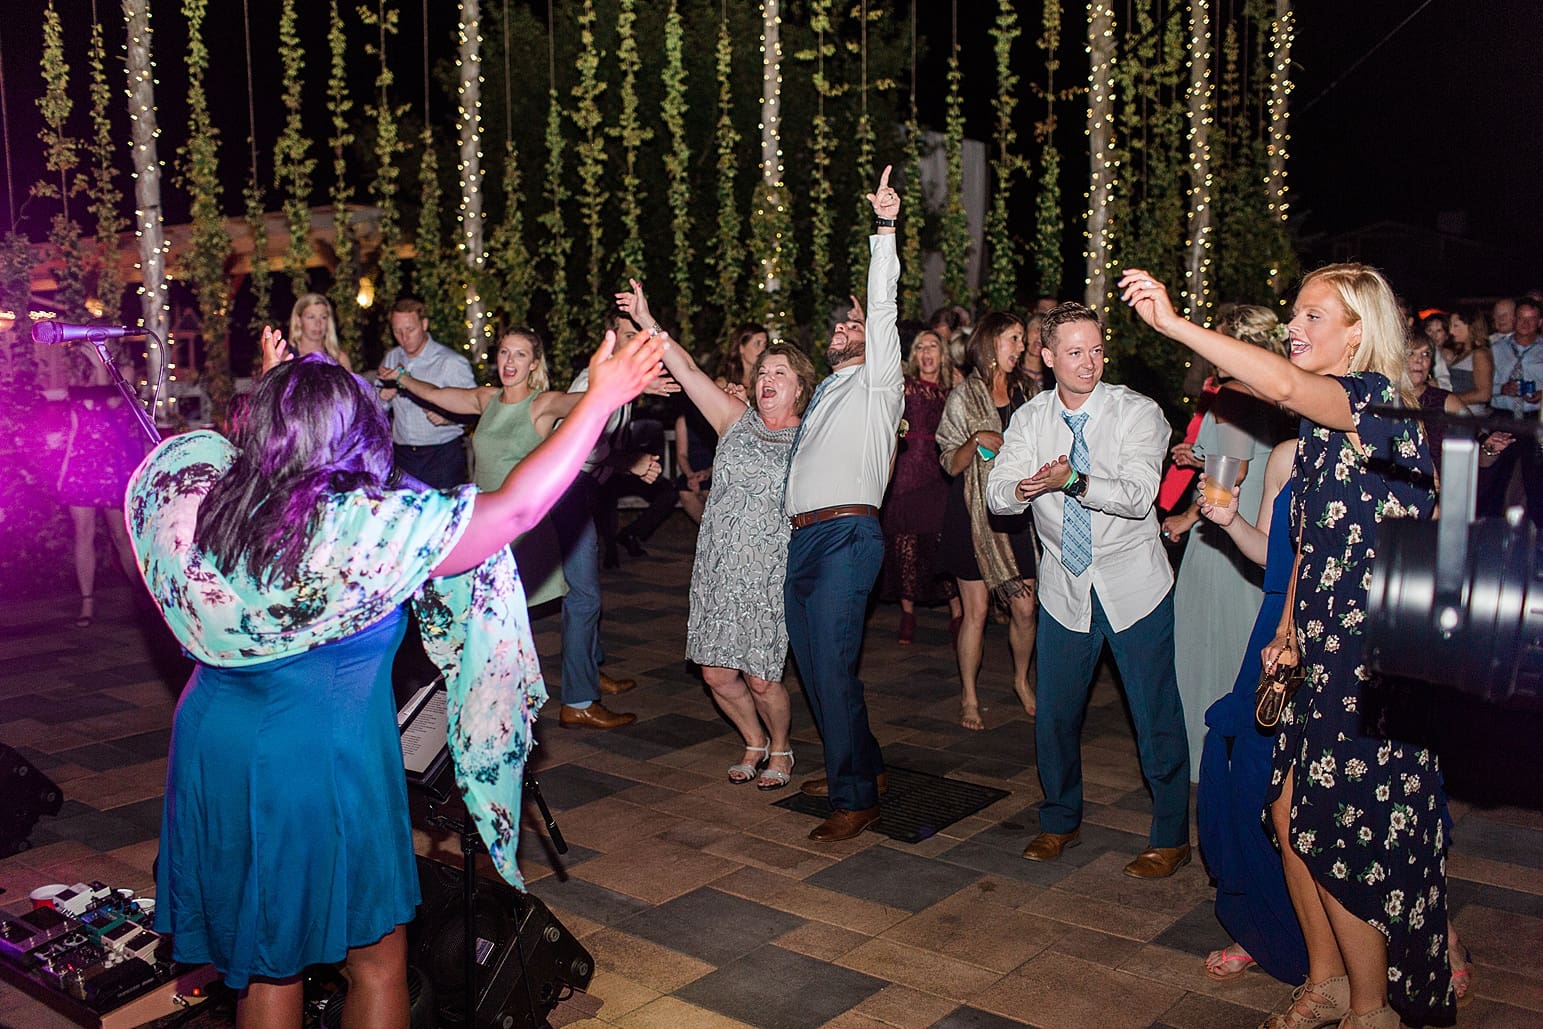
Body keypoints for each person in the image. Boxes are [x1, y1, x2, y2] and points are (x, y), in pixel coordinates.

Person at [128, 325, 663, 1028]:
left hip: (214, 745)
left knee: (266, 958)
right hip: (318, 759)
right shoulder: (358, 529)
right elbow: (516, 508)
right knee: (376, 960)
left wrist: (282, 394)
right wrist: (600, 399)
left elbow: (229, 457)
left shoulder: (212, 504)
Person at [1121, 263, 1450, 1029]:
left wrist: (1171, 323)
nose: (1293, 328)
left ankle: (1370, 1008)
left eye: (1311, 316)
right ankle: (1326, 977)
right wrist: (1285, 629)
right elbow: (1308, 541)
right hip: (1318, 647)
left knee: (1339, 827)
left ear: (1357, 334)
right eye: (1293, 314)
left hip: (1371, 657)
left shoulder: (1373, 405)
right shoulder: (1319, 429)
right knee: (1286, 807)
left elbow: (1278, 384)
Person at [984, 302, 1191, 878]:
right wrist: (1023, 488)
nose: (1089, 363)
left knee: (1154, 712)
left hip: (1134, 583)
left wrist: (1072, 480)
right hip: (1064, 586)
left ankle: (1171, 836)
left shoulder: (1137, 412)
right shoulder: (1030, 419)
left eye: (1096, 350)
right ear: (1047, 357)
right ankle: (1059, 821)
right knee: (1054, 714)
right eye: (1075, 352)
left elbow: (1139, 495)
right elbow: (997, 491)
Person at [380, 329, 637, 727]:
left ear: (534, 364)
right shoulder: (487, 400)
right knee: (488, 621)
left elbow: (585, 402)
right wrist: (402, 379)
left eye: (519, 355)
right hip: (483, 527)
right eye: (504, 352)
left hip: (523, 531)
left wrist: (619, 381)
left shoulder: (542, 404)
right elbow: (437, 393)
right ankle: (490, 705)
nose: (510, 362)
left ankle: (529, 707)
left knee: (505, 619)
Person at [621, 278, 816, 790]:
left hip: (770, 573)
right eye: (763, 371)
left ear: (800, 386)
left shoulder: (811, 438)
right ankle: (753, 739)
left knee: (762, 678)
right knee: (715, 674)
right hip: (717, 568)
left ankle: (781, 747)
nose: (768, 378)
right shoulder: (734, 418)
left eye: (780, 372)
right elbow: (685, 369)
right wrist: (647, 320)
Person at [785, 168, 905, 843]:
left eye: (851, 324)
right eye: (837, 324)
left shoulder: (877, 383)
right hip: (804, 539)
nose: (841, 327)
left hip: (845, 536)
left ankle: (855, 797)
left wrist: (883, 229)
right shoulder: (827, 391)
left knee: (831, 667)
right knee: (818, 668)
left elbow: (883, 309)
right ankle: (864, 764)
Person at [1191, 439, 1310, 987]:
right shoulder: (1286, 455)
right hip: (1274, 630)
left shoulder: (1385, 445)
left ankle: (1427, 934)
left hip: (1343, 628)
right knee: (1247, 772)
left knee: (1343, 797)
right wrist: (1231, 521)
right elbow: (1269, 553)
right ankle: (1265, 927)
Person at [1160, 305, 1292, 777]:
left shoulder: (1233, 394)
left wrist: (1185, 517)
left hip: (1224, 539)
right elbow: (1249, 459)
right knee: (1246, 643)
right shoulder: (1280, 392)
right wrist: (1201, 456)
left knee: (1207, 648)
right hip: (1263, 530)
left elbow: (1230, 474)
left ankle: (1206, 760)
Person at [937, 313, 1041, 730]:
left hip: (1016, 513)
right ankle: (969, 695)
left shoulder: (1028, 392)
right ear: (991, 343)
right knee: (976, 611)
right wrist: (976, 440)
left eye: (1021, 339)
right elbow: (950, 462)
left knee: (1026, 608)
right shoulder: (963, 397)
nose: (1022, 347)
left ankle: (1021, 679)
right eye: (1013, 339)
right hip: (972, 515)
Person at [56, 345, 147, 628]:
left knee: (120, 536)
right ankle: (87, 602)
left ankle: (144, 599)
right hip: (82, 463)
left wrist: (100, 367)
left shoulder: (124, 371)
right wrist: (64, 470)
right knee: (83, 533)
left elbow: (112, 403)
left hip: (112, 465)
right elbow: (75, 425)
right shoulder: (76, 373)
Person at [881, 329, 958, 646]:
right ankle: (907, 613)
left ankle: (958, 614)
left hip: (941, 473)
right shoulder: (906, 385)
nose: (926, 352)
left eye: (933, 346)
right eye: (921, 347)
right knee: (905, 542)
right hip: (907, 471)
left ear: (943, 353)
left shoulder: (954, 391)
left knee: (943, 540)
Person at [378, 298, 477, 490]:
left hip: (441, 457)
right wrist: (382, 397)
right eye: (397, 331)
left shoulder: (450, 362)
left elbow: (474, 410)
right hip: (402, 456)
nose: (404, 337)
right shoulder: (391, 358)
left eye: (410, 329)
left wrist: (448, 418)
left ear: (424, 324)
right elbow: (376, 410)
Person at [1480, 296, 1543, 525]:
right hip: (1503, 417)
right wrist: (1502, 389)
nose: (1525, 323)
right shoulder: (1495, 349)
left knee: (1536, 478)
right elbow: (1483, 386)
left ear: (1539, 322)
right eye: (1521, 318)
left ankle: (1537, 530)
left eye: (1531, 319)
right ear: (1514, 319)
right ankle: (1490, 527)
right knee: (1495, 475)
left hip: (1533, 419)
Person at [1442, 306, 1494, 415]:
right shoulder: (1460, 353)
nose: (1451, 331)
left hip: (1471, 416)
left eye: (1456, 326)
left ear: (1471, 326)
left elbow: (1484, 394)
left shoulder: (1480, 354)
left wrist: (1448, 399)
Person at [288, 292, 352, 370]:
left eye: (323, 317)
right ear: (298, 320)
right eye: (311, 317)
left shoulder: (340, 360)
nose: (318, 323)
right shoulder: (287, 358)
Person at [719, 323, 769, 396]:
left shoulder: (766, 380)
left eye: (764, 344)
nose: (762, 349)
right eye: (757, 343)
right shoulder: (723, 384)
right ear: (741, 348)